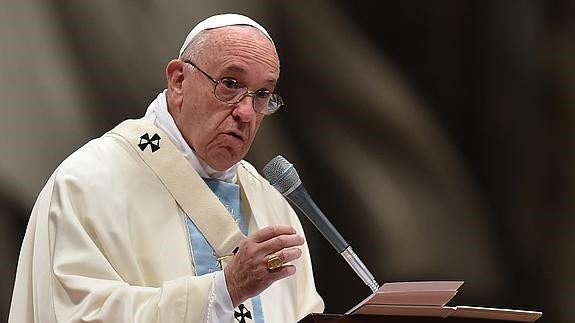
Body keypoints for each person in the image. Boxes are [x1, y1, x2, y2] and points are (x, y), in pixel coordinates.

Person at [9, 13, 324, 323]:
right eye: (230, 84)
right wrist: (223, 290)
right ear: (178, 81)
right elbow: (78, 313)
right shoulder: (87, 182)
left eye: (262, 95)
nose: (246, 112)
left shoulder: (270, 204)